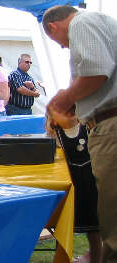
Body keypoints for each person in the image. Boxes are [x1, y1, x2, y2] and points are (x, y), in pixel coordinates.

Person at [42, 5, 117, 262]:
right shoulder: (104, 21)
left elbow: (96, 70)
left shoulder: (81, 24)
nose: (64, 47)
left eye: (60, 44)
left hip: (111, 127)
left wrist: (65, 98)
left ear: (53, 27)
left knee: (113, 218)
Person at [46, 111, 102, 263]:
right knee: (69, 224)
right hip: (73, 185)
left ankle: (96, 256)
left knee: (94, 227)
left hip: (91, 183)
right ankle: (67, 256)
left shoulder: (87, 126)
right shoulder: (55, 134)